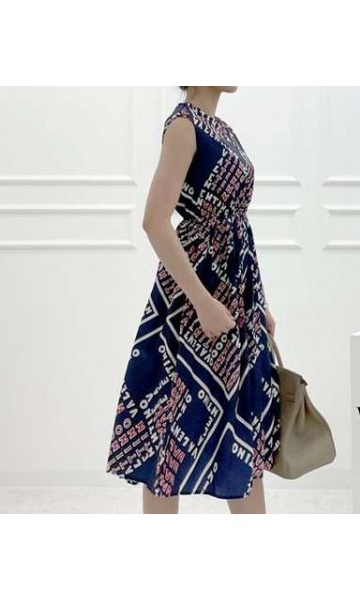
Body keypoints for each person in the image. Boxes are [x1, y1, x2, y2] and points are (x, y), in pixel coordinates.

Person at [106, 86, 280, 514]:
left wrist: (259, 304)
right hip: (195, 294)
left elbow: (237, 228)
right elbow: (155, 220)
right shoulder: (184, 125)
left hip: (236, 292)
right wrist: (201, 301)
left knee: (243, 423)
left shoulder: (223, 128)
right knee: (169, 421)